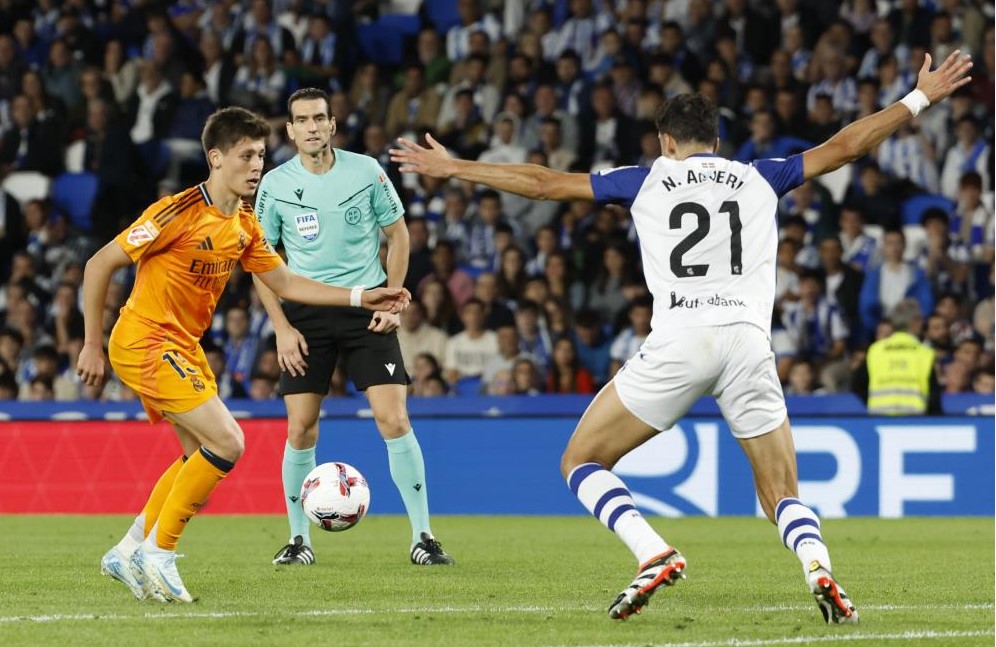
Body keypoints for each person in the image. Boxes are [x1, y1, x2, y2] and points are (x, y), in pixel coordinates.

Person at [391, 50, 973, 623]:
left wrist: (457, 168)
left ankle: (652, 552)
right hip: (748, 342)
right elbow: (848, 145)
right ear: (716, 141)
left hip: (680, 339)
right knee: (779, 492)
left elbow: (542, 184)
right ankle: (817, 565)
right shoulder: (758, 176)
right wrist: (920, 97)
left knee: (581, 461)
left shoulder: (644, 182)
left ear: (665, 141)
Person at [77, 107, 409, 604]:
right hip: (143, 340)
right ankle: (158, 553)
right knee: (229, 442)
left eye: (260, 155)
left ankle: (128, 550)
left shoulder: (245, 226)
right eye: (245, 155)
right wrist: (90, 343)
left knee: (197, 456)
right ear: (215, 157)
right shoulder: (176, 212)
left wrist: (364, 296)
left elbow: (288, 282)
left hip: (182, 348)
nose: (257, 165)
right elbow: (97, 264)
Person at [252, 88, 454, 568]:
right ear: (291, 130)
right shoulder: (275, 184)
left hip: (368, 306)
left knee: (395, 420)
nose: (313, 127)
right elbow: (261, 262)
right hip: (305, 312)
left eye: (320, 118)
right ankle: (299, 540)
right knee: (300, 428)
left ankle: (423, 536)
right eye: (302, 120)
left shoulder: (366, 170)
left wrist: (396, 297)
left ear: (333, 124)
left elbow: (398, 233)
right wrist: (280, 326)